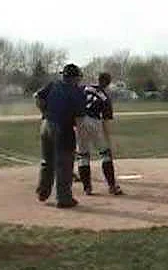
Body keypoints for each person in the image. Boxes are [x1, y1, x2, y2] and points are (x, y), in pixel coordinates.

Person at [34, 63, 87, 208]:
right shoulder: (77, 92)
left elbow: (37, 96)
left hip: (45, 125)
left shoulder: (53, 85)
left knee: (47, 160)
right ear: (75, 77)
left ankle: (43, 192)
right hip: (63, 128)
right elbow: (80, 117)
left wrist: (45, 112)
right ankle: (64, 198)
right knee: (64, 163)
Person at [75, 72, 123, 196]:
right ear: (107, 83)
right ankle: (112, 186)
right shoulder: (105, 98)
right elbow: (106, 123)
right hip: (94, 122)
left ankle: (87, 188)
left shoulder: (83, 88)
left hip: (79, 121)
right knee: (105, 153)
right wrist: (109, 141)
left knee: (83, 155)